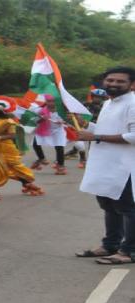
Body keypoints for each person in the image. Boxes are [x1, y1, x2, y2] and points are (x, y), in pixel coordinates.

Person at [75, 66, 135, 264]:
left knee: (127, 208)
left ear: (131, 84)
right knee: (109, 205)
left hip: (126, 165)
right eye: (110, 80)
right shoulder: (110, 103)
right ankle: (110, 245)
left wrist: (96, 136)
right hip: (106, 163)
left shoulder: (133, 103)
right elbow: (105, 129)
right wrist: (87, 127)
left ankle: (129, 251)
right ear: (104, 82)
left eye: (120, 81)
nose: (114, 84)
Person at [0, 96, 44, 196]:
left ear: (0, 110)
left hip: (6, 147)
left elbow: (13, 135)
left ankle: (27, 184)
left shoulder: (7, 121)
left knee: (13, 166)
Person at [65, 88, 108, 167]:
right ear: (92, 97)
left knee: (93, 146)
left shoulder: (106, 107)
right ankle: (81, 157)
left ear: (103, 98)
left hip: (98, 128)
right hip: (84, 126)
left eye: (99, 97)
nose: (97, 99)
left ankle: (92, 161)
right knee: (79, 140)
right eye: (95, 97)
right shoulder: (85, 105)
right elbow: (76, 111)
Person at [31, 94, 67, 175]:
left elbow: (69, 119)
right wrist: (41, 119)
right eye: (49, 101)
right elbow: (35, 121)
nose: (51, 103)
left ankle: (61, 165)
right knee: (35, 144)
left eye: (53, 101)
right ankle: (42, 158)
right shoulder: (40, 110)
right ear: (46, 102)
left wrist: (63, 122)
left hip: (58, 130)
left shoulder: (62, 110)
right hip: (44, 129)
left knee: (59, 147)